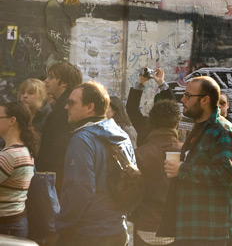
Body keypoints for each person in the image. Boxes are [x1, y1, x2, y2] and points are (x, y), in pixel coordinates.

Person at [161, 75, 232, 246]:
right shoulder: (202, 127)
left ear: (205, 100)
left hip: (212, 231)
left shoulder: (222, 131)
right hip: (195, 227)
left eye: (188, 96)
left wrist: (182, 169)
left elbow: (225, 174)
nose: (182, 99)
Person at [56, 81, 135, 246]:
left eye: (72, 102)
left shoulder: (82, 140)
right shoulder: (122, 135)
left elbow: (80, 190)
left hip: (87, 234)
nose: (66, 107)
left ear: (89, 107)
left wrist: (61, 223)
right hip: (118, 230)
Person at [132, 99, 182, 246]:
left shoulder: (138, 154)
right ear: (177, 123)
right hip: (177, 227)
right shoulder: (187, 152)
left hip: (145, 227)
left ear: (152, 124)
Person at [39, 62, 82, 191]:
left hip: (55, 177)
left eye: (51, 77)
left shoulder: (65, 108)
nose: (46, 81)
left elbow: (58, 147)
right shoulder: (62, 104)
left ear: (63, 83)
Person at [0, 101, 37, 238]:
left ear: (12, 120)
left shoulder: (9, 156)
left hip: (5, 227)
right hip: (15, 222)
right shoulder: (24, 150)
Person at [126, 67, 177, 146]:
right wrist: (161, 83)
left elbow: (131, 108)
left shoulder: (145, 127)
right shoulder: (172, 127)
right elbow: (174, 108)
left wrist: (141, 82)